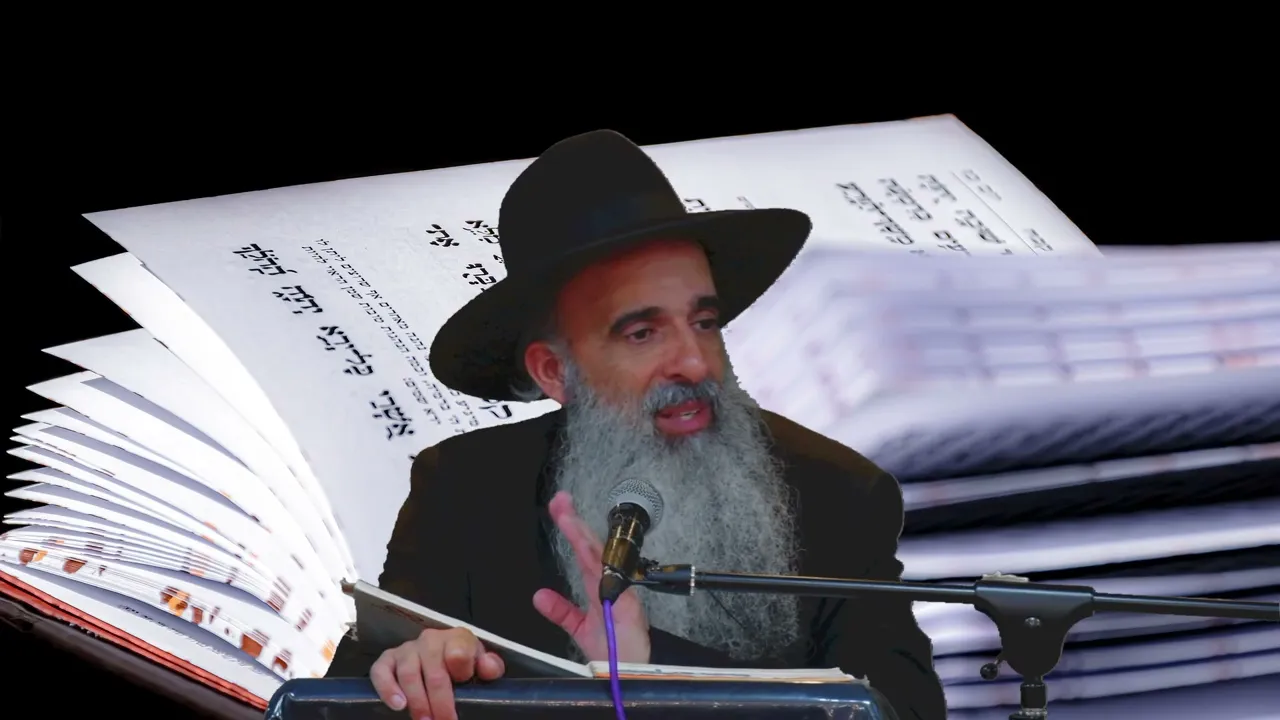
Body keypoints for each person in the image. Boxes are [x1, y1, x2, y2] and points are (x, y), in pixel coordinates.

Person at [325, 130, 947, 720]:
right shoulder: (465, 487)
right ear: (555, 372)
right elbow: (341, 697)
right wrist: (410, 673)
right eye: (642, 333)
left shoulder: (838, 491)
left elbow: (903, 708)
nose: (694, 363)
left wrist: (649, 667)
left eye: (704, 322)